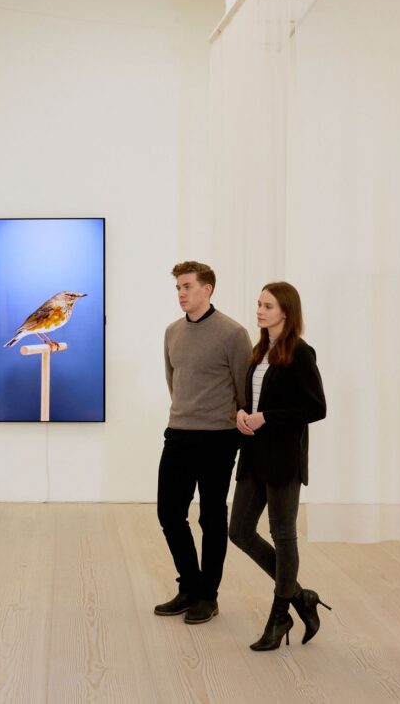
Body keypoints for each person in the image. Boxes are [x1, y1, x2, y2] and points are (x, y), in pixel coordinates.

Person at [230, 281, 329, 651]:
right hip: (254, 455)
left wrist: (266, 418)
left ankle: (279, 613)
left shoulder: (300, 353)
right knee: (239, 530)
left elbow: (316, 408)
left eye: (267, 306)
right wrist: (242, 413)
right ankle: (300, 596)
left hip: (284, 458)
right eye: (258, 304)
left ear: (286, 312)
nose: (259, 310)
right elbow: (252, 399)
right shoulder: (259, 352)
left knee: (282, 534)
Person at [154, 261, 252, 624]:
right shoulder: (172, 332)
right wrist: (185, 415)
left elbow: (245, 389)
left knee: (211, 518)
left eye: (187, 286)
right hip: (179, 433)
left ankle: (207, 596)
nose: (181, 293)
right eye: (178, 287)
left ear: (207, 289)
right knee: (169, 513)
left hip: (218, 438)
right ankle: (189, 585)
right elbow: (174, 381)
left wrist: (236, 428)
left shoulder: (233, 333)